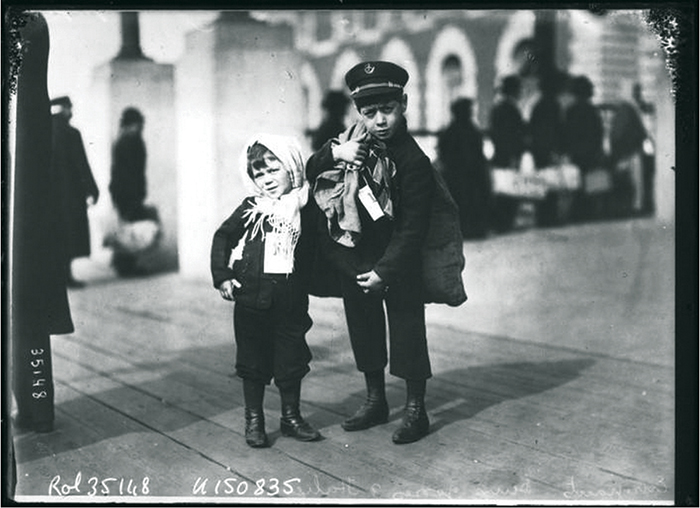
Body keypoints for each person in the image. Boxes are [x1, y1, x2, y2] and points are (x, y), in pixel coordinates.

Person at [306, 61, 435, 444]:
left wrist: (386, 271)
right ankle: (375, 398)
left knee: (408, 329)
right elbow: (312, 171)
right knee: (363, 329)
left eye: (388, 110)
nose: (379, 121)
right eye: (369, 112)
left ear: (404, 104)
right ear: (358, 112)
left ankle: (416, 409)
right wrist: (336, 154)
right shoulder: (350, 145)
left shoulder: (412, 161)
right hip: (356, 257)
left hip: (398, 264)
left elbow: (413, 229)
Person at [210, 134, 321, 448]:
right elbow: (223, 237)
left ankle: (291, 417)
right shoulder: (251, 208)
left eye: (273, 170)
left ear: (292, 168)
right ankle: (254, 420)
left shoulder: (305, 207)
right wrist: (223, 276)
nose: (266, 180)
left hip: (290, 301)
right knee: (252, 362)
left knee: (291, 359)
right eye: (259, 173)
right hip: (250, 299)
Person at [10, 12, 74, 439]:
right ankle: (37, 407)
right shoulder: (30, 21)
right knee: (26, 310)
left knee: (24, 310)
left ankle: (36, 408)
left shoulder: (23, 24)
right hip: (25, 213)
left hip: (21, 207)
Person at [50, 96, 100, 287]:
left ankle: (57, 278)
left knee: (55, 236)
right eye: (70, 108)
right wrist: (93, 190)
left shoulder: (41, 131)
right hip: (70, 196)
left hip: (48, 197)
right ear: (64, 109)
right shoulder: (71, 133)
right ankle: (66, 277)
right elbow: (81, 165)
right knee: (68, 236)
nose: (72, 112)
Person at [437, 98, 491, 239]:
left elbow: (443, 154)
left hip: (455, 176)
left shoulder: (449, 131)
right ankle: (474, 230)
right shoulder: (472, 130)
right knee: (472, 202)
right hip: (472, 176)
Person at [109, 107, 148, 276]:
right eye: (137, 123)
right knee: (129, 230)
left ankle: (124, 264)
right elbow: (129, 172)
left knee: (128, 228)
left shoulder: (124, 140)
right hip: (127, 193)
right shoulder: (129, 142)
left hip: (125, 192)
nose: (140, 127)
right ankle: (124, 265)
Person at [562, 75, 604, 221]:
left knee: (576, 186)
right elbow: (598, 134)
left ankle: (576, 213)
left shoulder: (571, 111)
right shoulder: (592, 111)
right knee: (589, 186)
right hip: (590, 154)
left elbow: (566, 134)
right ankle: (587, 212)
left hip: (576, 154)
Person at [488, 75, 526, 232]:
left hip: (500, 154)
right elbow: (515, 135)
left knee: (501, 189)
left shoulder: (497, 109)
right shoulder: (511, 110)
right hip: (509, 156)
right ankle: (505, 223)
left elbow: (494, 133)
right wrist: (514, 155)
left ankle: (501, 222)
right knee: (509, 189)